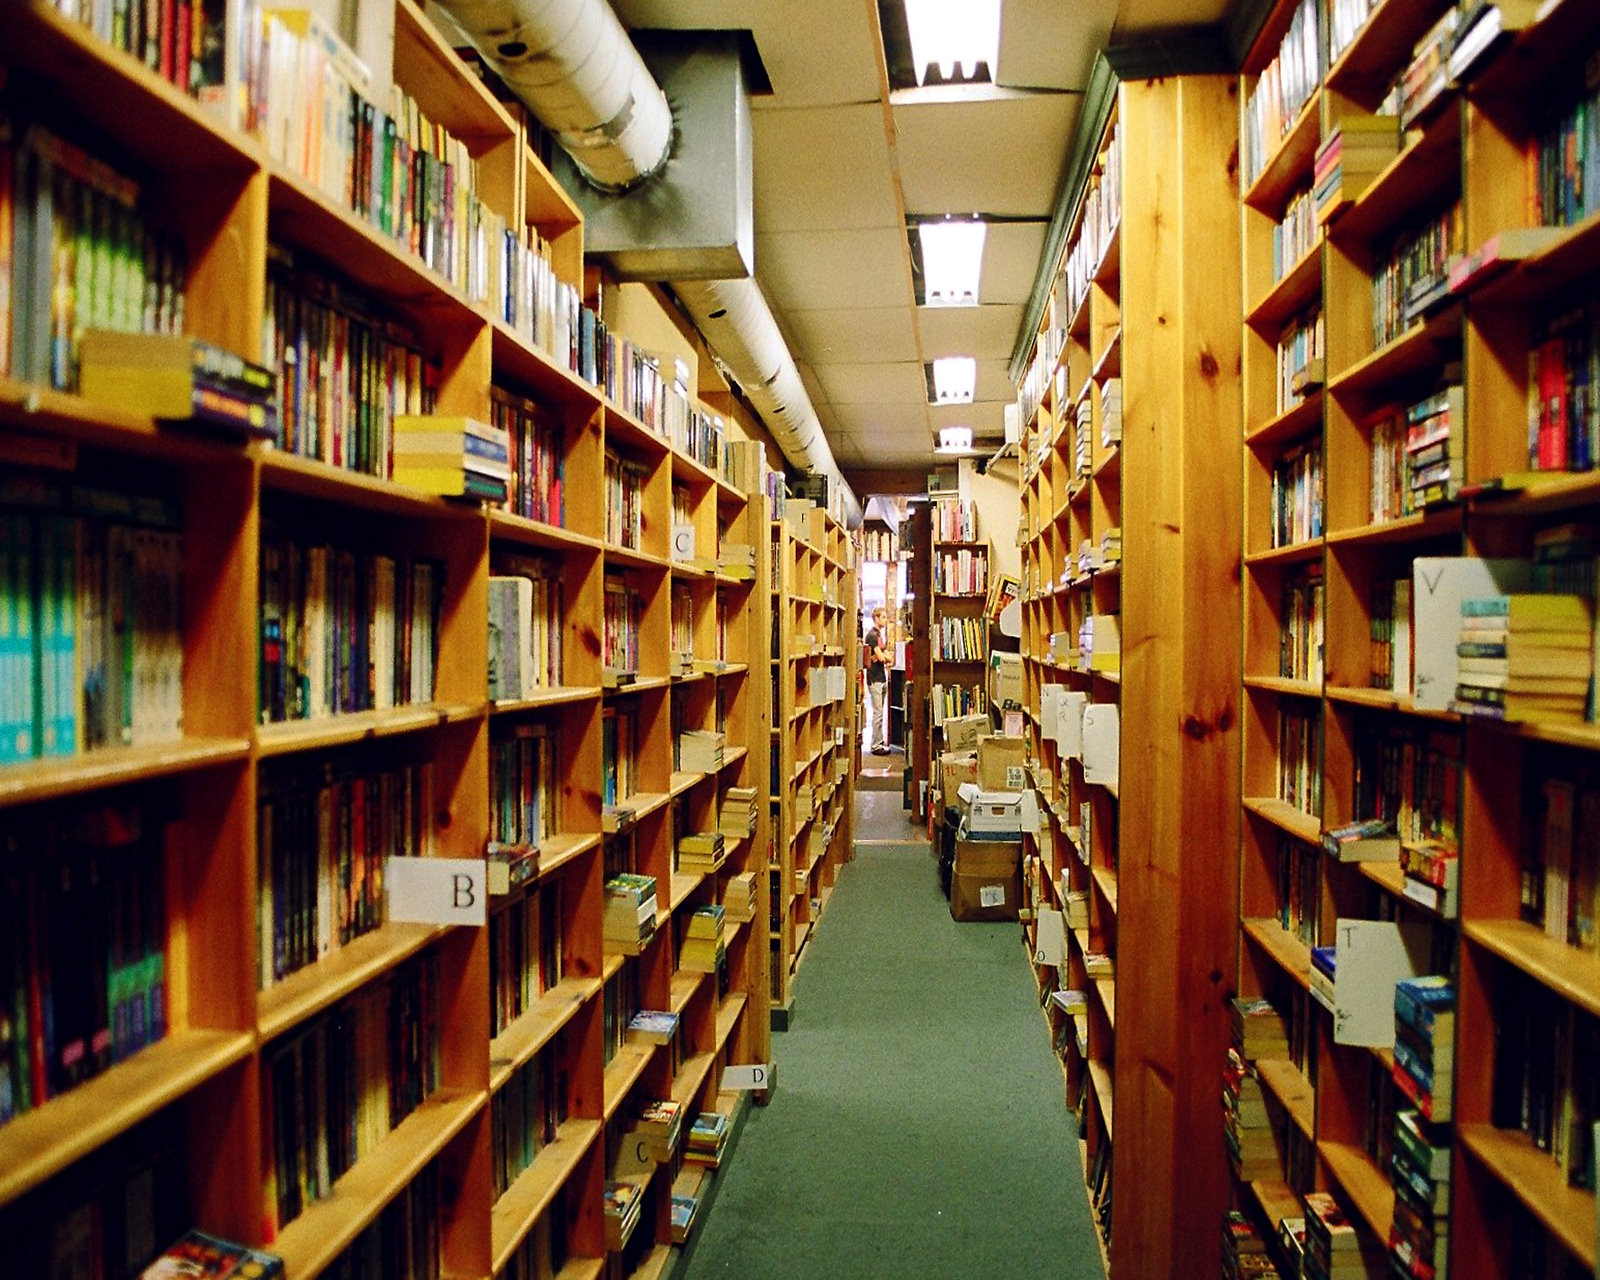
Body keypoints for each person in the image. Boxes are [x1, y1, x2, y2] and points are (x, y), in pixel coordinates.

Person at [863, 606, 892, 754]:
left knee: (880, 712)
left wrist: (883, 657)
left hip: (881, 677)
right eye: (884, 617)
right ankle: (875, 745)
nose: (886, 620)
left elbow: (887, 657)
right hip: (874, 678)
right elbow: (881, 657)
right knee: (878, 713)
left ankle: (879, 741)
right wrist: (882, 657)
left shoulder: (879, 636)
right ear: (876, 618)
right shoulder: (872, 636)